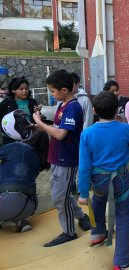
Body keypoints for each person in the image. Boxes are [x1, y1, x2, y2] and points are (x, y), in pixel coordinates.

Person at [78, 91, 129, 270]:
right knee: (122, 216)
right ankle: (121, 260)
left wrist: (83, 193)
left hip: (98, 181)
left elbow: (84, 167)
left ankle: (97, 233)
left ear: (95, 110)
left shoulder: (87, 133)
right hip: (119, 179)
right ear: (117, 110)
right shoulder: (124, 129)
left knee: (98, 200)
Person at [32, 69, 91, 247]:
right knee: (62, 194)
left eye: (52, 91)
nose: (52, 94)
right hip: (56, 156)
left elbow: (60, 135)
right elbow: (55, 127)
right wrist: (37, 126)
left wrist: (40, 122)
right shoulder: (62, 105)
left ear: (64, 90)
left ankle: (68, 232)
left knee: (59, 196)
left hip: (66, 159)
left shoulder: (73, 108)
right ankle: (81, 217)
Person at [0, 119, 50, 233]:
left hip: (7, 201)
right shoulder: (39, 160)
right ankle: (20, 222)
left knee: (10, 194)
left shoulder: (17, 147)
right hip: (30, 205)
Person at [0, 77, 40, 145]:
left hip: (29, 137)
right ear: (13, 90)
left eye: (26, 88)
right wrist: (4, 130)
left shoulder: (32, 102)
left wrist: (38, 112)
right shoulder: (6, 103)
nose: (24, 91)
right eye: (21, 89)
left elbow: (37, 120)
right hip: (10, 139)